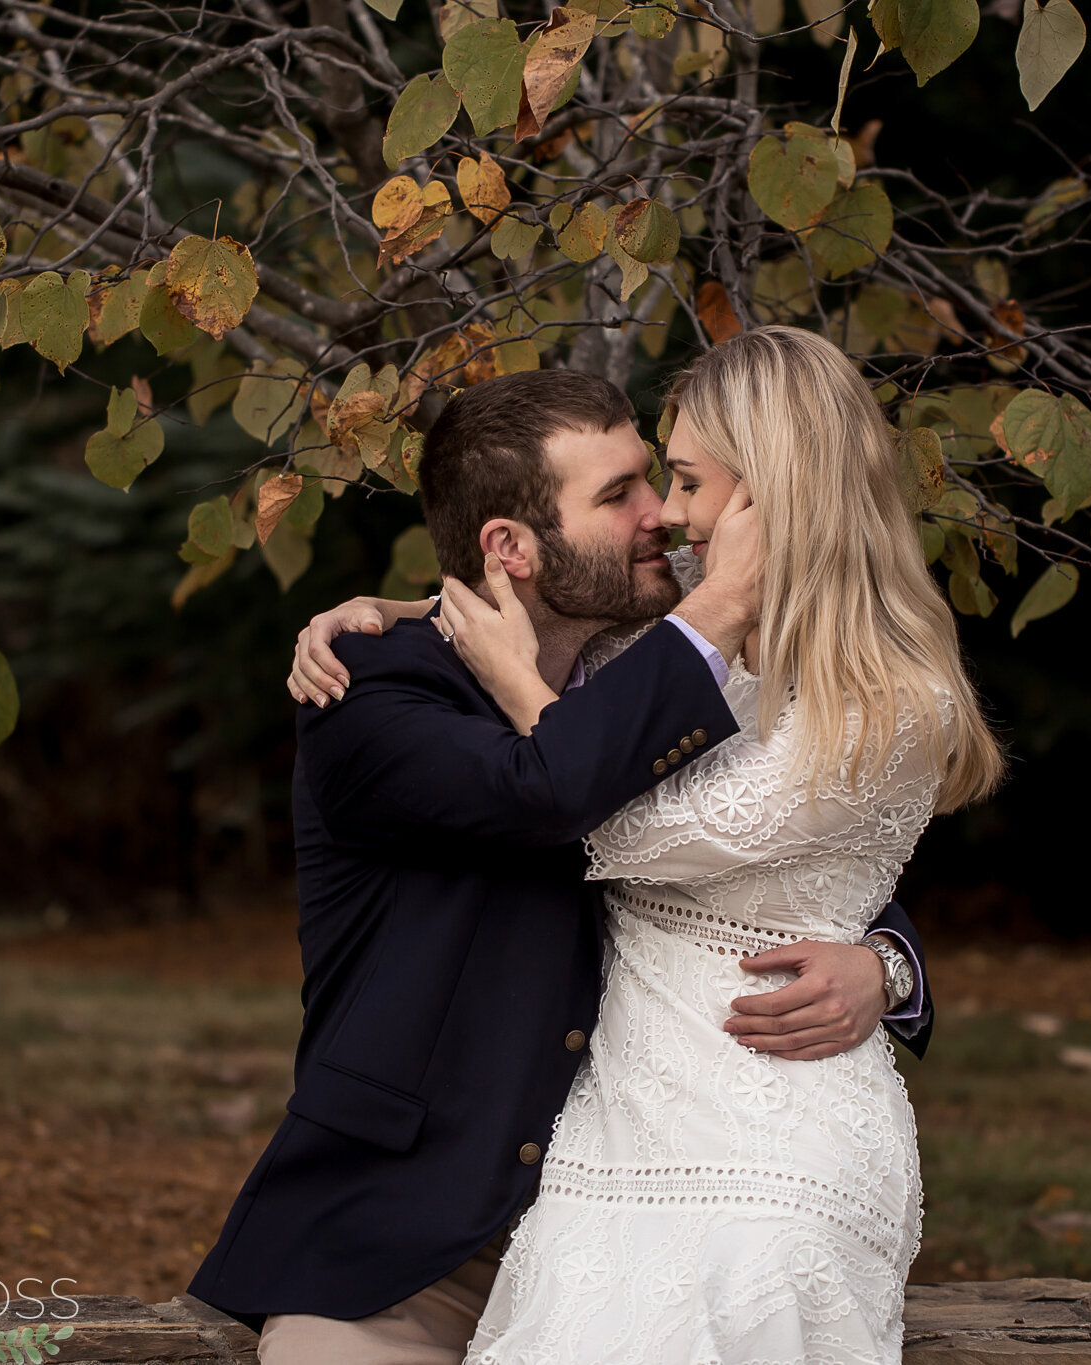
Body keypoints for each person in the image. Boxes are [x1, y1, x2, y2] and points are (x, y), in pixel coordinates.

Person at [186, 366, 934, 1365]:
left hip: (642, 1196)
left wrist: (882, 963)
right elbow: (546, 791)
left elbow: (780, 851)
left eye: (660, 480)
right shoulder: (372, 696)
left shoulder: (648, 672)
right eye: (619, 494)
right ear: (510, 548)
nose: (661, 517)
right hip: (413, 1239)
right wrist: (713, 609)